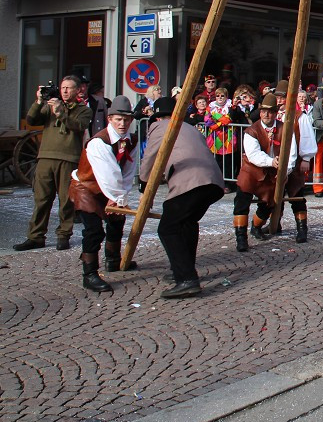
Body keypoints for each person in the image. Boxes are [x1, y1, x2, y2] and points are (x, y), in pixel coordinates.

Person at [140, 98, 226, 298]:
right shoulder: (191, 128)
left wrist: (144, 183)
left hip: (191, 182)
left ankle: (186, 278)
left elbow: (150, 156)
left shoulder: (159, 127)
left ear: (159, 117)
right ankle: (185, 268)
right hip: (213, 181)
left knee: (168, 228)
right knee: (187, 222)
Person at [67, 97, 138, 292]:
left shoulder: (130, 140)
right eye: (118, 120)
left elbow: (128, 171)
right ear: (110, 119)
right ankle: (89, 274)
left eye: (126, 120)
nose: (122, 124)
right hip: (86, 189)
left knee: (117, 220)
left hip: (108, 188)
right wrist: (118, 198)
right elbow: (109, 175)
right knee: (94, 231)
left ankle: (113, 260)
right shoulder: (99, 142)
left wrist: (120, 198)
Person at [14, 75, 93, 251]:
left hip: (68, 159)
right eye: (62, 87)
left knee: (66, 200)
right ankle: (35, 236)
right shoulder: (49, 106)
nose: (65, 91)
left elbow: (79, 125)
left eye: (69, 88)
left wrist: (61, 113)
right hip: (45, 158)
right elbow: (32, 120)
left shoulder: (83, 110)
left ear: (78, 90)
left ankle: (63, 235)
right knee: (41, 199)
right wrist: (38, 101)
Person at [233, 93, 316, 250]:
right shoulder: (251, 131)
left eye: (270, 111)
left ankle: (300, 229)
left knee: (280, 197)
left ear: (275, 112)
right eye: (264, 111)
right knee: (242, 198)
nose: (266, 114)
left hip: (278, 171)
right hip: (254, 170)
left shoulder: (285, 128)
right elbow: (253, 154)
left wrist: (286, 170)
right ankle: (241, 238)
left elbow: (291, 152)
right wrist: (271, 161)